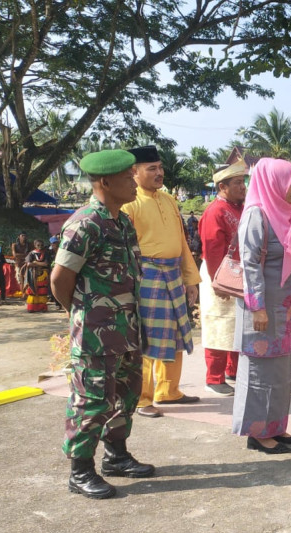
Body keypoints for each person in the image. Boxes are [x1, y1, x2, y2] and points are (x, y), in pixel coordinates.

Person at [50, 148, 155, 499]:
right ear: (106, 182)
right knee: (91, 399)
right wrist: (82, 315)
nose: (134, 181)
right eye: (128, 176)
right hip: (96, 333)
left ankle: (117, 456)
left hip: (126, 327)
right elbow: (59, 280)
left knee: (125, 394)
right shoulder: (84, 224)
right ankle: (80, 471)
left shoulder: (122, 221)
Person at [231, 158, 291, 454]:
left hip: (286, 309)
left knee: (281, 371)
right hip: (263, 310)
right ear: (273, 182)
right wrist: (257, 308)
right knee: (259, 372)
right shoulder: (256, 215)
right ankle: (257, 432)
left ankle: (276, 426)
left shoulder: (288, 215)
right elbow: (250, 264)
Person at [121, 145, 201, 417]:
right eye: (151, 168)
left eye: (160, 167)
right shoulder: (129, 204)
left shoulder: (169, 200)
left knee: (176, 331)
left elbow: (181, 241)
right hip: (148, 274)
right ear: (134, 172)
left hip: (174, 272)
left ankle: (168, 390)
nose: (159, 173)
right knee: (149, 336)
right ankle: (142, 398)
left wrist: (191, 278)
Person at [198, 161, 248, 396]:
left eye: (243, 182)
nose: (243, 187)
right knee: (218, 322)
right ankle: (214, 377)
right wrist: (217, 281)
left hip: (237, 273)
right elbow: (212, 248)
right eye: (237, 183)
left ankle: (233, 370)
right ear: (222, 186)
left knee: (236, 324)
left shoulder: (241, 207)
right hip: (218, 272)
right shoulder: (215, 211)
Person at [24, 239, 51, 312]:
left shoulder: (46, 253)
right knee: (32, 291)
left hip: (43, 275)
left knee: (42, 291)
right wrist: (39, 263)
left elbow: (46, 264)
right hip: (33, 275)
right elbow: (28, 264)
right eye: (38, 245)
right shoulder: (31, 253)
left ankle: (42, 308)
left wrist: (35, 262)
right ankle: (32, 308)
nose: (40, 247)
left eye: (42, 245)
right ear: (35, 245)